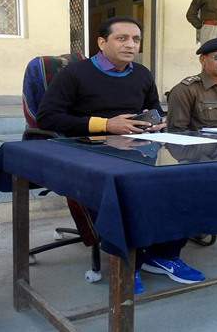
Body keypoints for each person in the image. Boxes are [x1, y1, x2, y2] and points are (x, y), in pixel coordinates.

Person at [37, 16, 205, 295]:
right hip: (89, 146)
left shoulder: (141, 73)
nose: (130, 44)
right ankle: (129, 261)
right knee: (127, 189)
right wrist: (105, 124)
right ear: (102, 42)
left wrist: (156, 122)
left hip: (139, 145)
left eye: (136, 39)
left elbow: (153, 108)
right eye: (122, 38)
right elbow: (48, 117)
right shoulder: (75, 74)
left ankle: (164, 255)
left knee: (185, 179)